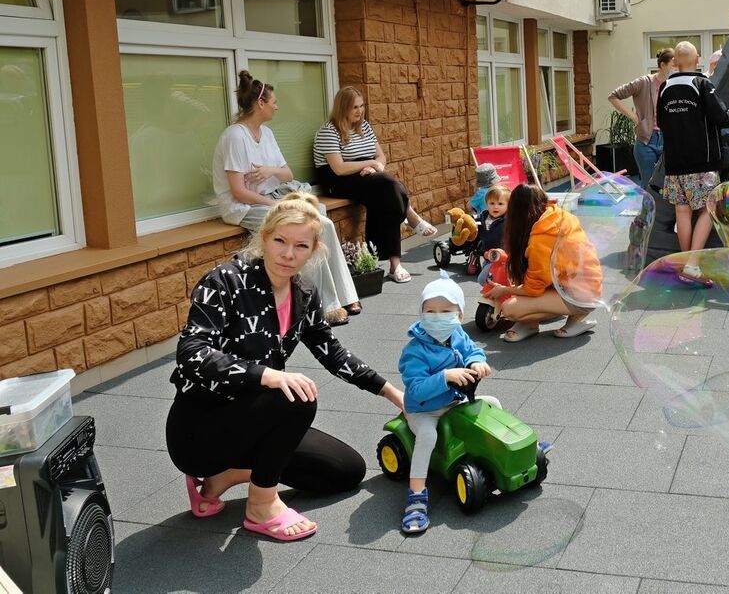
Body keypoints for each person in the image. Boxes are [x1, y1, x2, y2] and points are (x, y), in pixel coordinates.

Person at [166, 193, 406, 542]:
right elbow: (191, 352)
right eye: (280, 241)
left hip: (257, 415)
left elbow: (332, 353)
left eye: (300, 245)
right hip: (201, 429)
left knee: (344, 471)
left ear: (314, 250)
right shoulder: (224, 282)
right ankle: (261, 505)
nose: (288, 254)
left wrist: (393, 394)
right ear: (264, 237)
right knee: (297, 396)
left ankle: (228, 475)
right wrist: (265, 374)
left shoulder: (303, 292)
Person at [212, 71, 359, 324]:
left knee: (323, 221)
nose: (277, 107)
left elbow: (287, 173)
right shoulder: (234, 136)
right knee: (314, 226)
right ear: (260, 104)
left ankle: (346, 295)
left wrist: (270, 172)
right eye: (273, 102)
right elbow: (238, 192)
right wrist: (278, 207)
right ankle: (326, 306)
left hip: (272, 199)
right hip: (244, 207)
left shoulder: (266, 134)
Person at [397, 272, 498, 534]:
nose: (437, 317)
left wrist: (477, 361)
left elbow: (472, 350)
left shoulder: (458, 336)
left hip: (455, 402)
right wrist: (445, 377)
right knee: (428, 436)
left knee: (492, 404)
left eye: (445, 311)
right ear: (421, 314)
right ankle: (417, 495)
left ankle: (500, 450)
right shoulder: (415, 351)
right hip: (424, 410)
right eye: (430, 311)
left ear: (459, 316)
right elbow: (416, 388)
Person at [313, 87, 436, 284]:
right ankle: (409, 216)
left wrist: (376, 167)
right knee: (389, 186)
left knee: (389, 194)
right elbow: (338, 168)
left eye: (362, 106)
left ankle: (395, 264)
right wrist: (370, 164)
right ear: (342, 107)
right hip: (337, 181)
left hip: (366, 176)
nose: (359, 111)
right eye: (354, 107)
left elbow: (381, 156)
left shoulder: (365, 127)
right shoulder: (329, 130)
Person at [656, 41, 729, 258]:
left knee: (682, 210)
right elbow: (722, 118)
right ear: (697, 60)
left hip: (674, 161)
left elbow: (661, 122)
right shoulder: (702, 84)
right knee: (709, 208)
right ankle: (692, 263)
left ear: (676, 62)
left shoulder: (664, 88)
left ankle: (683, 261)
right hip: (702, 162)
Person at [484, 184, 601, 342]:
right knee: (523, 290)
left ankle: (575, 317)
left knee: (510, 308)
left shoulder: (542, 237)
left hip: (579, 296)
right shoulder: (555, 215)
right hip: (580, 287)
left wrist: (504, 290)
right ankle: (532, 322)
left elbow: (534, 289)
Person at [608, 47, 675, 185]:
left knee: (669, 185)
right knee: (648, 185)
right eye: (674, 64)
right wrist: (634, 117)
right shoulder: (644, 82)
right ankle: (648, 207)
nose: (677, 68)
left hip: (668, 140)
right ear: (663, 65)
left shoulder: (674, 84)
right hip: (646, 141)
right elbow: (613, 96)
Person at [473, 183, 510, 283]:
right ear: (487, 204)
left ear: (508, 205)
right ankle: (496, 294)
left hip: (502, 259)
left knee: (483, 280)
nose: (495, 207)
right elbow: (473, 221)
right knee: (489, 279)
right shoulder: (484, 216)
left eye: (500, 204)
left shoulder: (508, 220)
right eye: (492, 203)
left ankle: (496, 294)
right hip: (487, 256)